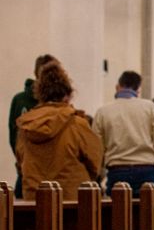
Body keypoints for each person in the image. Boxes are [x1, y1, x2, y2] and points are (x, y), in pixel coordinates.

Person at [14, 62, 102, 200]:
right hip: (73, 201)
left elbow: (20, 163)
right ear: (66, 96)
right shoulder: (77, 124)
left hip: (36, 201)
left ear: (40, 95)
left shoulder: (26, 126)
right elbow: (95, 160)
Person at [93, 71, 154, 195]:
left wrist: (102, 174)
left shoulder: (103, 111)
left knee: (119, 213)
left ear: (117, 86)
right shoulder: (149, 108)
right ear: (138, 89)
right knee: (149, 213)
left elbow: (96, 149)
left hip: (117, 170)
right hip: (147, 169)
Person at [8, 54, 57, 197]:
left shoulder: (56, 102)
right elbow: (13, 137)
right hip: (30, 169)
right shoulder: (20, 100)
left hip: (33, 169)